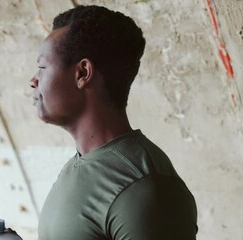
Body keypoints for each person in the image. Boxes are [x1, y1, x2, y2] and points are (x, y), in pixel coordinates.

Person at [29, 5, 198, 240]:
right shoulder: (78, 165)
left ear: (82, 73)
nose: (33, 80)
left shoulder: (144, 187)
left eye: (42, 67)